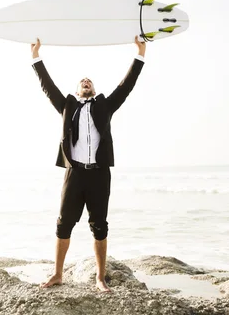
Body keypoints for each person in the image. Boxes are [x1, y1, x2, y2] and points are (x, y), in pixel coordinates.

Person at [31, 36, 146, 292]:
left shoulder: (104, 105)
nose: (86, 82)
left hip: (99, 174)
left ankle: (100, 278)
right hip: (74, 173)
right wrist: (36, 57)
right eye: (82, 81)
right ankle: (58, 274)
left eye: (89, 81)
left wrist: (140, 54)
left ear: (92, 89)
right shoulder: (67, 106)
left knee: (100, 225)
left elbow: (125, 86)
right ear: (76, 90)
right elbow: (47, 86)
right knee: (63, 224)